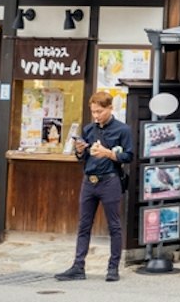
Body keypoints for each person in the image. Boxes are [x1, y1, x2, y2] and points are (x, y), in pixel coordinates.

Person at [55, 91, 133, 282]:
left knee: (114, 225)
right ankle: (78, 266)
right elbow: (82, 158)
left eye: (99, 111)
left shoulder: (123, 130)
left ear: (109, 108)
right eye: (93, 112)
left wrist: (108, 153)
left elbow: (129, 156)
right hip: (89, 180)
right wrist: (80, 151)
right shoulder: (89, 129)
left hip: (110, 180)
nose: (96, 116)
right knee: (83, 225)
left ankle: (113, 267)